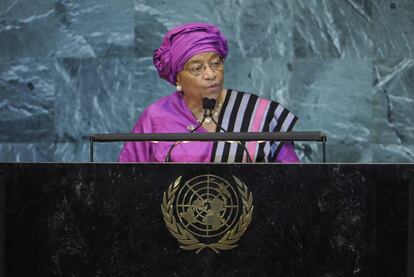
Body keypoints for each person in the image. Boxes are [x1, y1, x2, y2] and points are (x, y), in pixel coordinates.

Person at [119, 22, 300, 163]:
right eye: (197, 68)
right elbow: (127, 181)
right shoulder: (156, 118)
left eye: (216, 63)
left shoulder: (259, 114)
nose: (211, 74)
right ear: (178, 79)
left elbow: (293, 183)